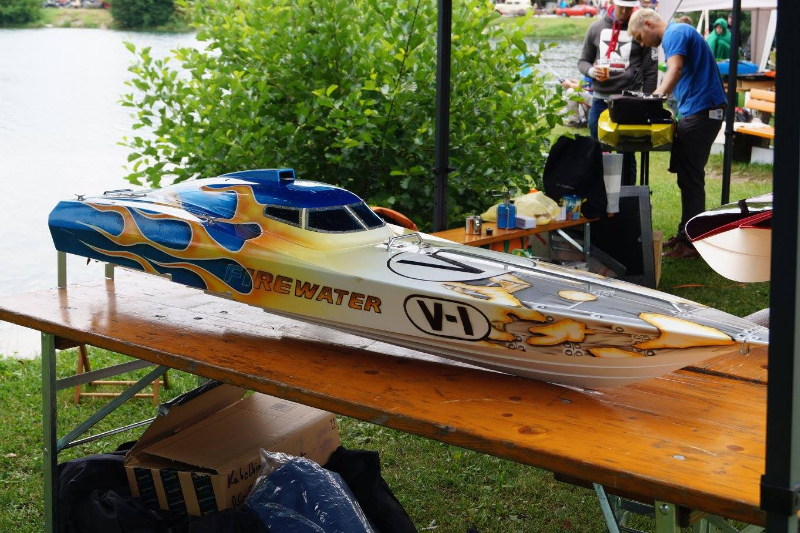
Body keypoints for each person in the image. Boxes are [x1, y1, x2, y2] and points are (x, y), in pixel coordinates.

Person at [628, 8, 727, 259]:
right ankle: (686, 234)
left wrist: (654, 99)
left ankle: (692, 244)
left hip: (704, 110)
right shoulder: (677, 34)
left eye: (640, 37)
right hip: (697, 110)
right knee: (687, 175)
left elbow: (676, 69)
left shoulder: (676, 33)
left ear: (648, 24)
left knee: (691, 177)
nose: (642, 43)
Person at [578, 0, 658, 185]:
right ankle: (598, 193)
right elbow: (583, 61)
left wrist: (649, 103)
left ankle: (627, 195)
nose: (625, 11)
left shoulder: (640, 30)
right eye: (622, 6)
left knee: (627, 153)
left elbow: (650, 70)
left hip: (629, 101)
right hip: (600, 100)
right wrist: (592, 71)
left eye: (629, 7)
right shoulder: (596, 28)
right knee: (597, 148)